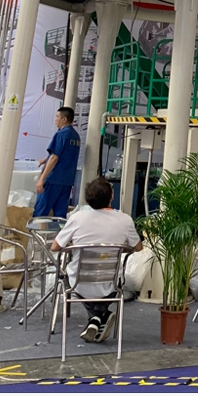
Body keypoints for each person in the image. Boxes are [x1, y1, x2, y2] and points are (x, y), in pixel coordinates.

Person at [52, 176, 142, 343]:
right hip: (111, 283)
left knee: (72, 279)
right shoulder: (125, 220)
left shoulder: (77, 218)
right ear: (111, 196)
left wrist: (75, 244)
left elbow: (55, 247)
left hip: (79, 282)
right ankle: (100, 315)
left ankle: (95, 318)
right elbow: (138, 247)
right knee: (112, 285)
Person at [33, 106, 81, 219]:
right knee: (60, 216)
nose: (55, 120)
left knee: (41, 212)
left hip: (53, 179)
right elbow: (65, 154)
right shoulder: (75, 136)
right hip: (67, 181)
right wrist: (46, 159)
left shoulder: (61, 134)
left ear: (64, 119)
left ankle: (37, 231)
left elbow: (54, 158)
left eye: (57, 117)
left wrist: (42, 179)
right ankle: (59, 231)